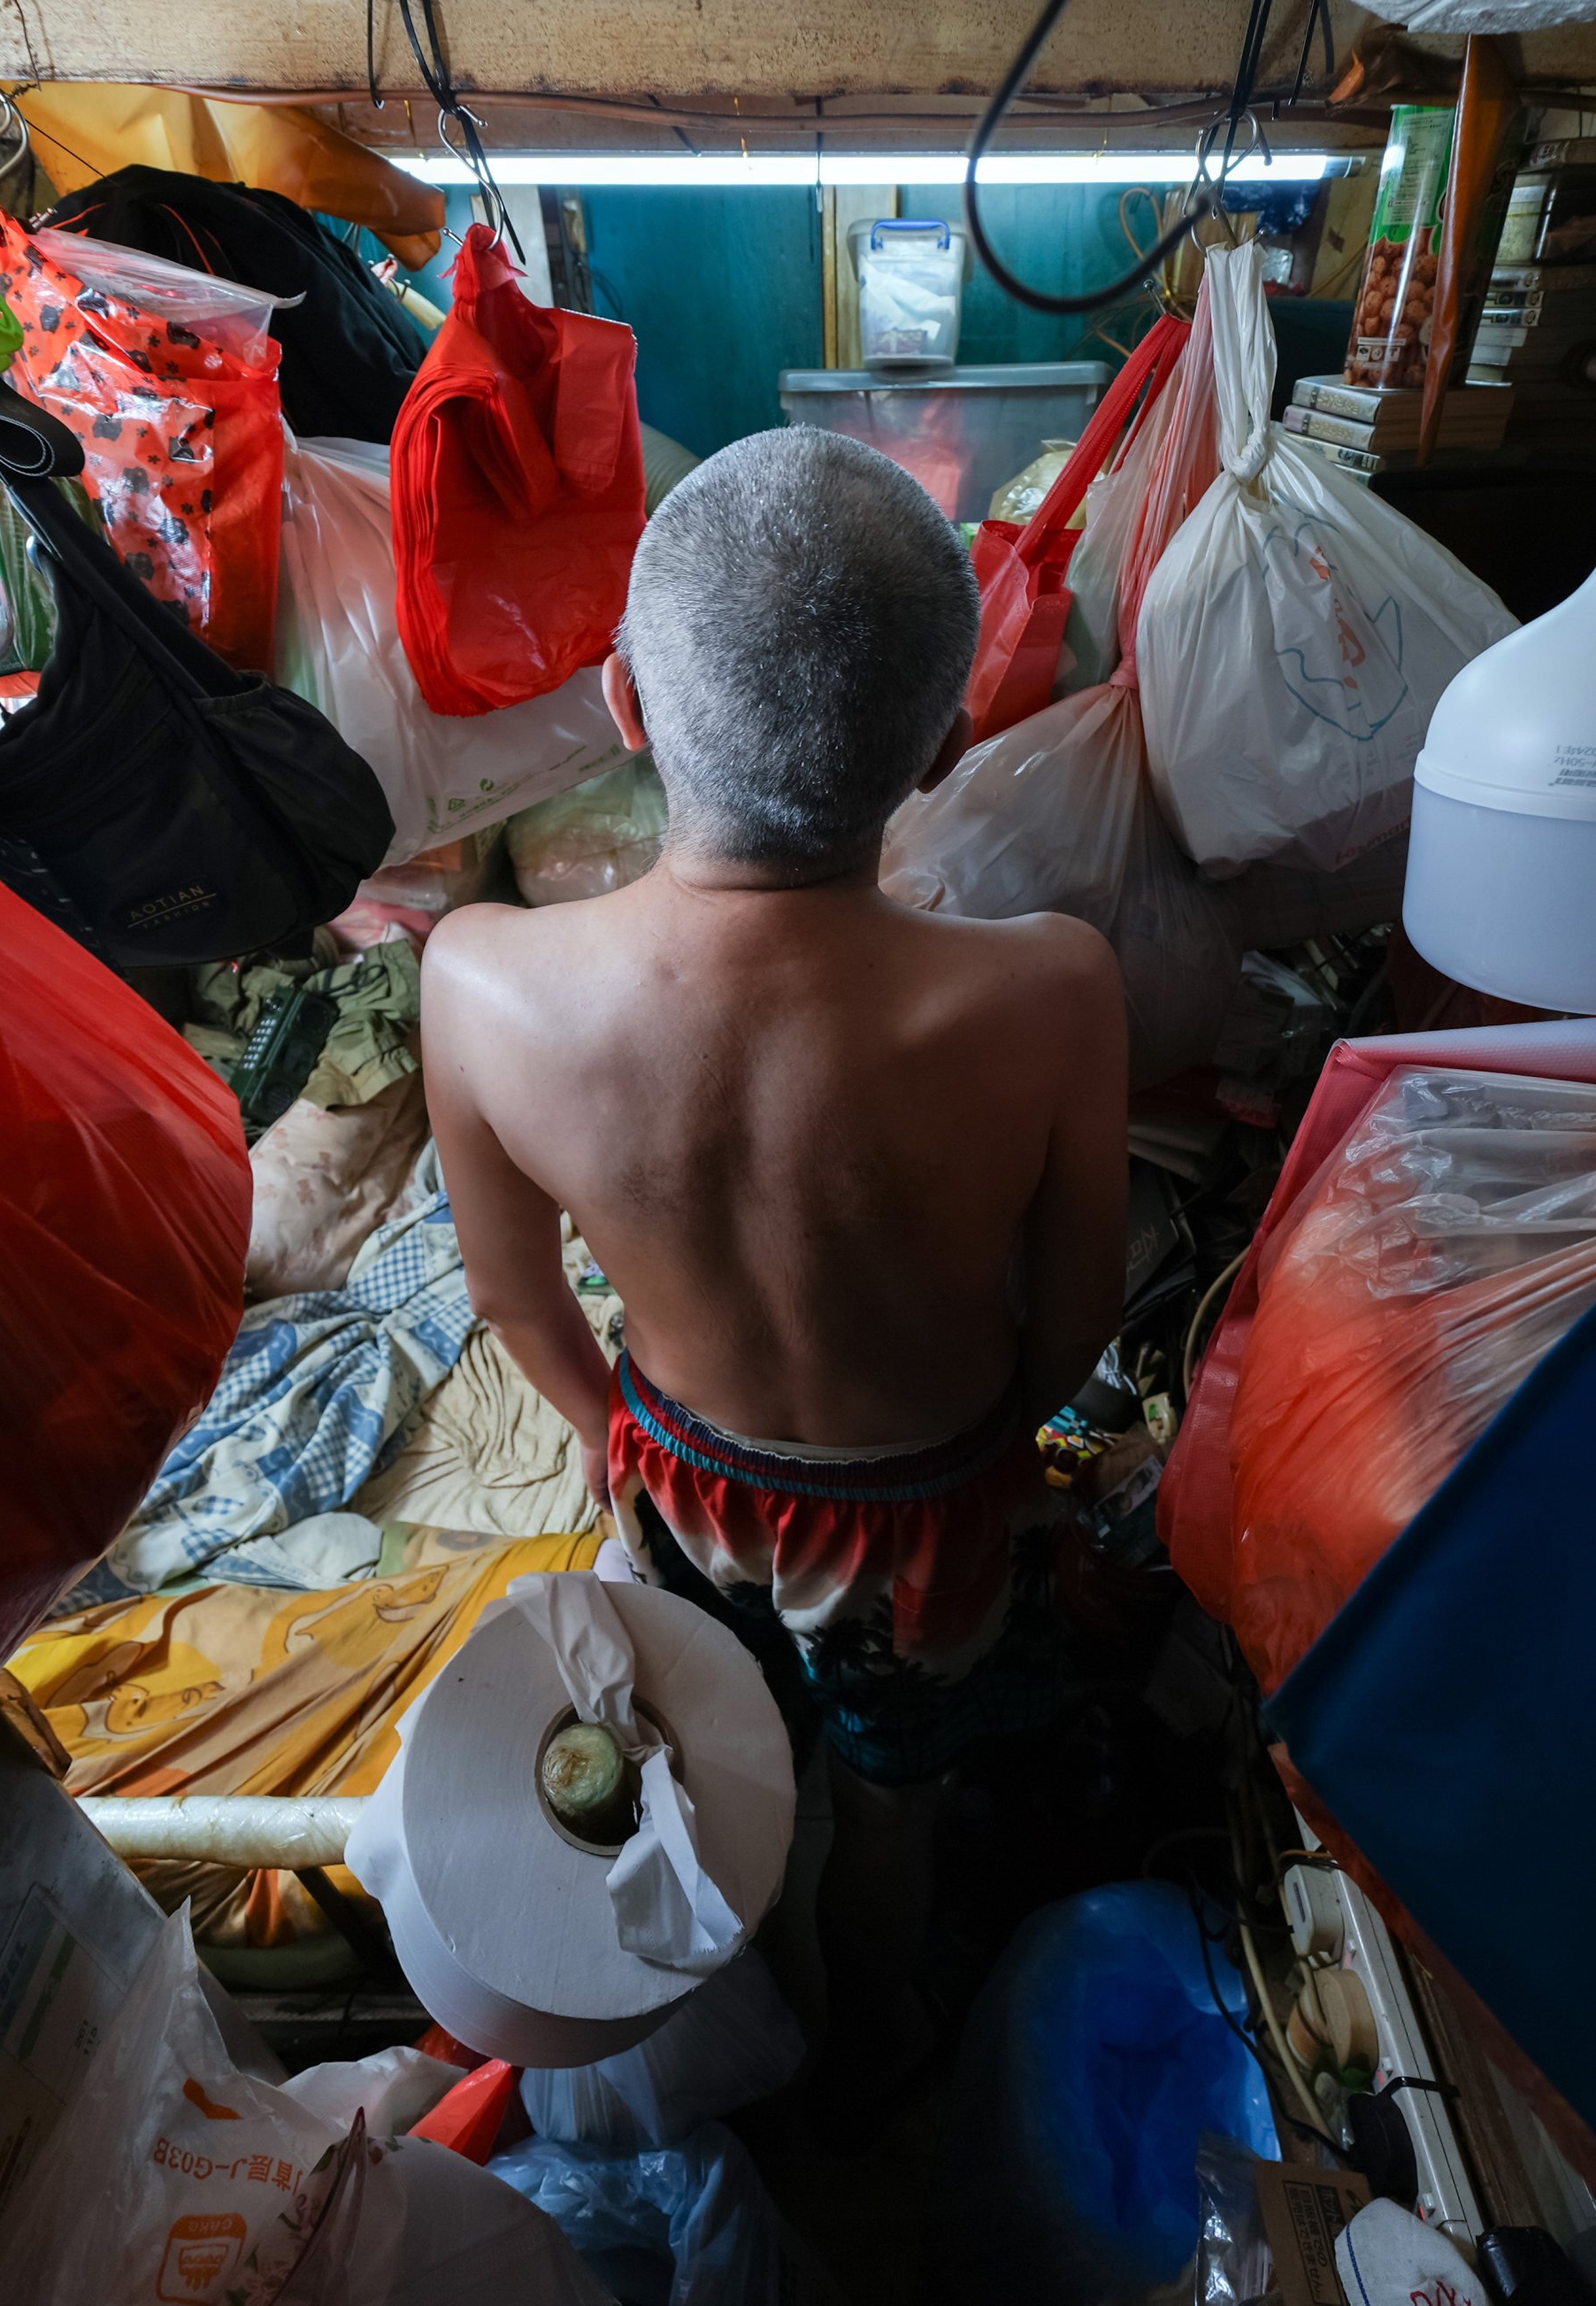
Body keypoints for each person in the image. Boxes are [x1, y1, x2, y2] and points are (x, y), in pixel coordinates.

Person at [423, 427, 1127, 2098]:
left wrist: (621, 1429)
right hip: (929, 1518)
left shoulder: (481, 982)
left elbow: (518, 1301)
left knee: (703, 1758)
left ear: (626, 703)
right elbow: (1082, 1318)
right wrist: (989, 1449)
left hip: (680, 1481)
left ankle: (733, 2004)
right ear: (947, 745)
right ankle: (872, 2036)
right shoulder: (1051, 991)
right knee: (894, 1808)